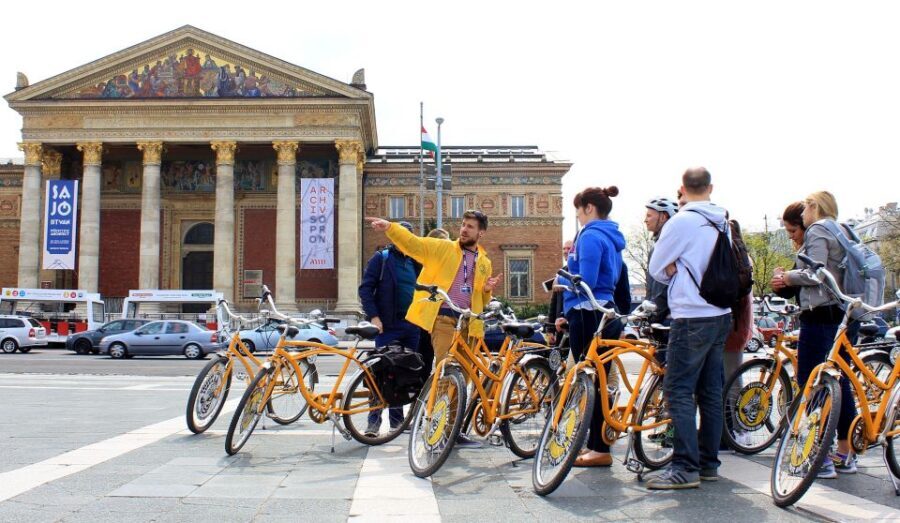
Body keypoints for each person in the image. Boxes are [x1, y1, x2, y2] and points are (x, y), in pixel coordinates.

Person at [366, 211, 502, 447]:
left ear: (481, 232)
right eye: (463, 224)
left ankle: (452, 429)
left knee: (464, 379)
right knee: (447, 372)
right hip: (445, 318)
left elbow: (481, 298)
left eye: (470, 226)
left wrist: (487, 289)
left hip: (469, 324)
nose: (464, 229)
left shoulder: (484, 262)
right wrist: (390, 227)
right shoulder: (444, 248)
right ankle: (434, 427)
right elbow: (414, 244)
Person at [646, 167, 733, 489]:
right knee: (710, 392)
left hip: (691, 314)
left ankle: (684, 468)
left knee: (679, 390)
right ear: (711, 187)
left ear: (681, 188)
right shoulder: (723, 220)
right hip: (721, 313)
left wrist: (674, 270)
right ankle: (709, 463)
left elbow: (658, 269)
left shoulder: (682, 222)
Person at [770, 191, 858, 477]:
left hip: (821, 317)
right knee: (839, 383)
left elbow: (816, 274)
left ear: (812, 209)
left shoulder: (818, 230)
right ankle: (845, 453)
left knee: (813, 382)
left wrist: (787, 277)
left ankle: (818, 455)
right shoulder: (842, 229)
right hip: (846, 315)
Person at [554, 186, 627, 468]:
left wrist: (564, 282)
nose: (577, 216)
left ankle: (597, 446)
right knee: (597, 379)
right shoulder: (611, 237)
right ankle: (599, 444)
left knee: (588, 381)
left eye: (578, 210)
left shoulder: (590, 236)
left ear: (588, 208)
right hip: (605, 312)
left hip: (586, 312)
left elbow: (586, 279)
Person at [358, 221, 422, 436]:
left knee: (403, 376)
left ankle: (397, 422)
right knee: (381, 375)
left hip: (412, 327)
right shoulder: (382, 259)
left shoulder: (415, 262)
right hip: (388, 326)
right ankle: (373, 422)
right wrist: (374, 317)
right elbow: (366, 289)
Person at [416, 228, 451, 379]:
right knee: (424, 360)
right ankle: (421, 398)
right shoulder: (421, 263)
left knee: (442, 362)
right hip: (425, 319)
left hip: (441, 318)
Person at [643, 198, 678, 327]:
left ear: (663, 217)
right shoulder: (658, 245)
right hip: (661, 316)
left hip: (666, 319)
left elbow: (666, 287)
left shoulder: (668, 246)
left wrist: (653, 317)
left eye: (649, 216)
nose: (645, 220)